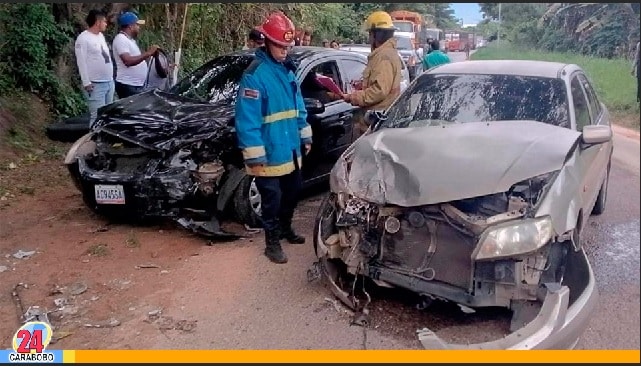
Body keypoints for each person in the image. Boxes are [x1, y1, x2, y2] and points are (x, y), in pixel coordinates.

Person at [234, 12, 313, 264]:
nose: (284, 51)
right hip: (268, 153)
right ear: (266, 42)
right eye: (280, 45)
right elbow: (247, 120)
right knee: (272, 201)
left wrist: (305, 135)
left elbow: (298, 107)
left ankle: (286, 229)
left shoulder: (287, 70)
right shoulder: (255, 75)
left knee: (292, 193)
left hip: (290, 148)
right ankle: (272, 243)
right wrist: (255, 156)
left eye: (287, 46)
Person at [342, 10, 402, 134]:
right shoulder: (384, 54)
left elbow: (379, 91)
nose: (369, 37)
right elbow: (380, 83)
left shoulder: (383, 56)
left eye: (370, 33)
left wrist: (353, 97)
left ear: (377, 35)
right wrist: (362, 86)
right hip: (377, 121)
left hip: (376, 124)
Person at [74, 9, 114, 127]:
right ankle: (93, 141)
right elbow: (81, 61)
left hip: (108, 81)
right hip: (95, 84)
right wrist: (86, 82)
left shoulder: (101, 36)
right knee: (96, 116)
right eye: (104, 22)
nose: (106, 24)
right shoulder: (83, 38)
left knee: (108, 115)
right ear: (98, 22)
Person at [112, 11, 159, 98]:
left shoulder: (130, 40)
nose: (139, 27)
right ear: (130, 26)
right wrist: (148, 53)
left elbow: (138, 59)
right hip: (128, 85)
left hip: (135, 85)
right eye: (137, 25)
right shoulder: (121, 39)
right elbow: (128, 61)